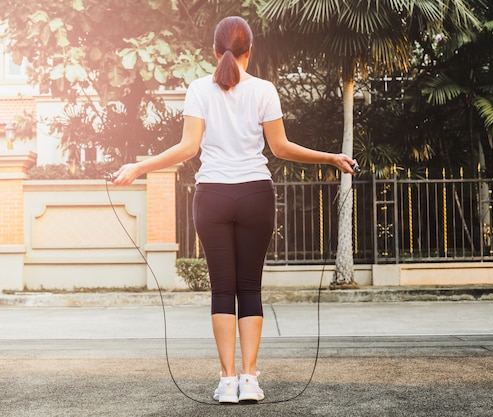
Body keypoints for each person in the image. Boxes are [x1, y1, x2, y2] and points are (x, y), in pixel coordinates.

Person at [111, 16, 357, 404]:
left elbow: (187, 149)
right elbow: (280, 148)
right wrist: (330, 157)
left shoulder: (198, 90)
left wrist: (139, 166)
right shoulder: (263, 89)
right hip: (255, 195)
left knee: (222, 289)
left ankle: (227, 382)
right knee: (249, 288)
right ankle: (250, 379)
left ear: (215, 51)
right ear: (250, 52)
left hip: (211, 197)